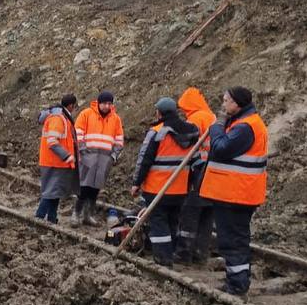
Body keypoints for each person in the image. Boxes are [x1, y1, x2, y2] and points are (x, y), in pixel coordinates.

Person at [199, 87, 268, 296]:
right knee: (231, 238)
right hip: (233, 193)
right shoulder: (241, 123)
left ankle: (237, 285)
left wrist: (217, 127)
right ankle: (235, 279)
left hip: (237, 194)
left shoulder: (245, 127)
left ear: (237, 103)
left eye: (226, 100)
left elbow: (221, 149)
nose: (223, 104)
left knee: (233, 240)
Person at [131, 98, 200, 267]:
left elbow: (144, 160)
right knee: (173, 221)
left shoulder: (157, 132)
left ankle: (163, 258)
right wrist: (191, 183)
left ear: (160, 113)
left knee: (159, 222)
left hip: (157, 188)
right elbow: (196, 162)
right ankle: (171, 251)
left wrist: (136, 183)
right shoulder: (192, 132)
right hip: (180, 188)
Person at [177, 87, 217, 263]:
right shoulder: (213, 117)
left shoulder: (195, 119)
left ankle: (184, 252)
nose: (183, 112)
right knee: (207, 213)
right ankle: (201, 252)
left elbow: (185, 141)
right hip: (215, 171)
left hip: (198, 171)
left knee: (190, 211)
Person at [74, 91, 125, 225]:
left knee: (95, 188)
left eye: (109, 103)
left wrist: (113, 156)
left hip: (104, 159)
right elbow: (78, 132)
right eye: (105, 103)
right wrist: (83, 150)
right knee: (84, 187)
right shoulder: (86, 114)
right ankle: (76, 214)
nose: (107, 106)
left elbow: (119, 139)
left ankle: (88, 215)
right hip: (88, 156)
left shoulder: (115, 119)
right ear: (99, 102)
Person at [36, 94, 78, 224]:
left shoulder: (61, 118)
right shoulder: (58, 119)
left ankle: (52, 219)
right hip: (54, 162)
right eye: (75, 107)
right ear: (70, 106)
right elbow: (52, 142)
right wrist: (66, 155)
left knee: (55, 193)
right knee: (50, 193)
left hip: (57, 162)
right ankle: (39, 218)